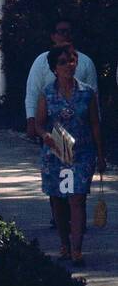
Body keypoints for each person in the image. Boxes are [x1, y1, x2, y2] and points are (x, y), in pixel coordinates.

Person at [38, 45, 105, 266]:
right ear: (55, 68)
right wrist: (45, 134)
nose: (69, 65)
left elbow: (95, 124)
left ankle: (77, 250)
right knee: (59, 199)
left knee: (77, 199)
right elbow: (38, 124)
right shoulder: (47, 93)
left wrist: (101, 154)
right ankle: (64, 243)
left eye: (72, 60)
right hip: (56, 153)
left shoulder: (87, 93)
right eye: (63, 62)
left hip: (82, 154)